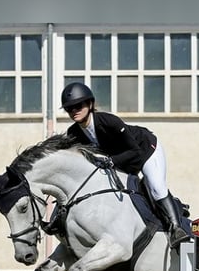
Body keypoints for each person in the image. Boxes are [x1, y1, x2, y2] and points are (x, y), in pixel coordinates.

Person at [60, 82, 189, 249]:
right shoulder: (73, 134)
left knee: (156, 186)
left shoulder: (109, 121)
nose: (74, 111)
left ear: (90, 104)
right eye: (69, 108)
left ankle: (176, 228)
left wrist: (111, 161)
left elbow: (134, 151)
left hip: (145, 150)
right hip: (119, 161)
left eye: (78, 105)